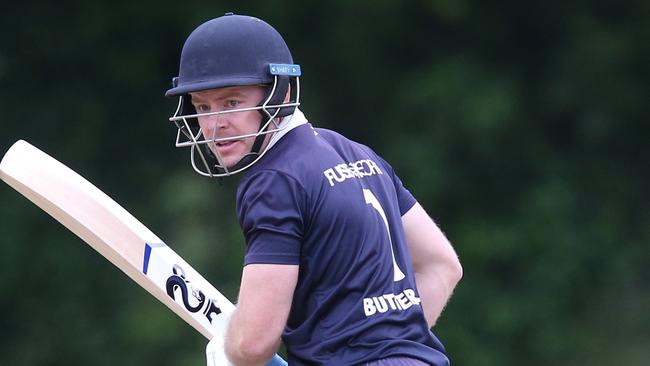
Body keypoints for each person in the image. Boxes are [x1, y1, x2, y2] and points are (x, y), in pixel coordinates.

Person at [165, 13, 463, 366]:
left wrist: (232, 351)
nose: (215, 125)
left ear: (282, 91)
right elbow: (442, 265)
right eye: (202, 107)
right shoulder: (360, 155)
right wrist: (387, 346)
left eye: (232, 102)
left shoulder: (273, 180)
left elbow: (253, 344)